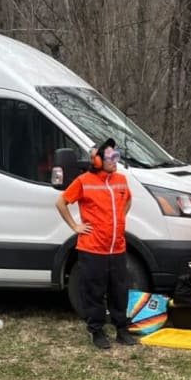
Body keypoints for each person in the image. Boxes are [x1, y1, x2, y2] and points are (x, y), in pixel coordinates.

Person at [55, 138, 137, 349]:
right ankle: (96, 330)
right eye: (111, 157)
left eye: (117, 156)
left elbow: (128, 199)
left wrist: (120, 217)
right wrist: (75, 226)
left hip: (117, 247)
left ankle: (122, 330)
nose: (115, 160)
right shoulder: (84, 181)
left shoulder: (121, 180)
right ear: (98, 160)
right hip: (92, 249)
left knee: (119, 291)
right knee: (94, 292)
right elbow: (61, 202)